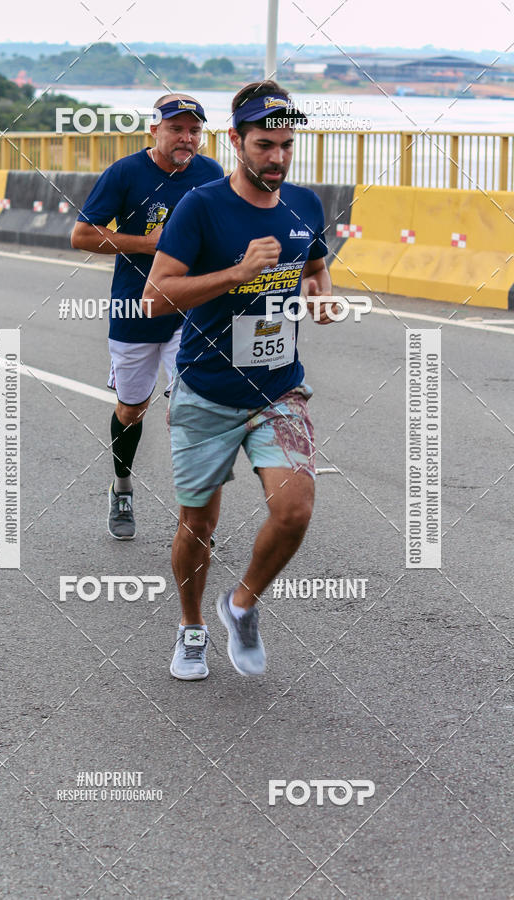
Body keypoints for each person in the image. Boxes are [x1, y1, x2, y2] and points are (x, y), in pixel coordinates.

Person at [144, 81, 341, 680]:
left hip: (279, 388)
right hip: (206, 390)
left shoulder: (303, 203)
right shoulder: (200, 206)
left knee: (295, 509)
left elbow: (313, 263)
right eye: (264, 145)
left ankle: (242, 605)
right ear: (235, 141)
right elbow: (156, 298)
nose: (277, 158)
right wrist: (237, 273)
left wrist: (320, 295)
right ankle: (191, 627)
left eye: (286, 145)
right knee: (198, 522)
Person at [71, 95, 224, 539]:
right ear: (153, 131)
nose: (186, 138)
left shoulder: (210, 174)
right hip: (134, 308)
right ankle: (122, 487)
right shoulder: (125, 173)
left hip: (190, 313)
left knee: (192, 410)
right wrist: (149, 243)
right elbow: (81, 235)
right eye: (176, 128)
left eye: (194, 130)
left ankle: (195, 517)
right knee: (131, 409)